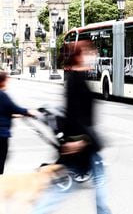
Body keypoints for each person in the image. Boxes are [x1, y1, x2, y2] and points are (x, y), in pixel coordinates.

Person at [32, 40, 111, 214]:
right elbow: (74, 114)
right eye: (89, 53)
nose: (93, 56)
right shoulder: (75, 79)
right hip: (82, 145)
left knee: (93, 190)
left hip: (85, 145)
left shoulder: (78, 77)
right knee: (64, 190)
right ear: (79, 56)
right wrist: (80, 141)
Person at [0, 71, 34, 174]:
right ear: (2, 82)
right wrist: (29, 112)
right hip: (1, 134)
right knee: (1, 160)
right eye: (6, 81)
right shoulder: (2, 95)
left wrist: (13, 115)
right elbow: (14, 108)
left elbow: (5, 110)